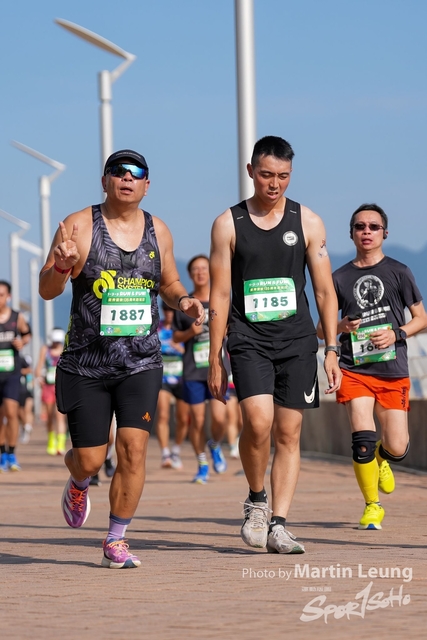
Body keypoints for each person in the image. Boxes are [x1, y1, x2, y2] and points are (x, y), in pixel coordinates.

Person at [39, 149, 204, 569]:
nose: (127, 178)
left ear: (147, 185)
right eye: (118, 171)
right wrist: (61, 267)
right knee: (92, 459)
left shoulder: (158, 230)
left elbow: (169, 283)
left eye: (136, 173)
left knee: (133, 449)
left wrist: (184, 300)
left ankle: (116, 538)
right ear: (105, 181)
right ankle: (78, 479)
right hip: (86, 364)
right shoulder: (79, 226)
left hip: (141, 362)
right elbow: (46, 290)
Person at [208, 136, 341, 553]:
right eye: (266, 174)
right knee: (258, 422)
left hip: (297, 341)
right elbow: (220, 294)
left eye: (283, 176)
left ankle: (279, 523)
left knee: (289, 431)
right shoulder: (228, 224)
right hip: (248, 338)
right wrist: (215, 356)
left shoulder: (309, 222)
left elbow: (324, 292)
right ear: (251, 171)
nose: (274, 184)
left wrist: (332, 349)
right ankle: (256, 500)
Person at [317, 203, 427, 530]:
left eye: (373, 227)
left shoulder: (400, 272)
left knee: (398, 446)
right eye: (360, 226)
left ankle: (382, 459)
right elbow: (321, 329)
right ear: (351, 233)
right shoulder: (338, 278)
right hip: (354, 368)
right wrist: (341, 327)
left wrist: (396, 333)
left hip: (392, 369)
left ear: (384, 233)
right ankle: (372, 506)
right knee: (362, 439)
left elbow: (421, 318)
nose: (367, 232)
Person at [173, 255, 229, 484]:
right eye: (195, 269)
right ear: (190, 274)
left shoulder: (221, 299)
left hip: (218, 367)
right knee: (196, 420)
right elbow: (175, 337)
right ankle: (202, 463)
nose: (200, 273)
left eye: (204, 268)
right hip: (193, 370)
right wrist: (190, 333)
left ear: (211, 271)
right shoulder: (185, 304)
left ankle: (214, 444)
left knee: (219, 417)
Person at [0, 280, 31, 472]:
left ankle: (11, 453)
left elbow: (27, 334)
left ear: (8, 297)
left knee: (11, 412)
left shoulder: (16, 317)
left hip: (11, 372)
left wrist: (22, 342)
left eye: (1, 295)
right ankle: (2, 453)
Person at [156, 301, 189, 469]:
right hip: (163, 379)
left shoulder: (182, 328)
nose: (169, 312)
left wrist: (180, 348)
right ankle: (165, 454)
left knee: (183, 419)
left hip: (182, 378)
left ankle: (176, 450)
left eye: (172, 309)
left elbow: (192, 350)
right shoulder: (157, 328)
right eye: (166, 309)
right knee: (163, 415)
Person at [35, 327, 68, 455]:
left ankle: (60, 443)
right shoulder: (45, 350)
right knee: (49, 415)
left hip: (61, 386)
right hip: (48, 387)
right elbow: (38, 367)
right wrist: (39, 378)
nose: (56, 343)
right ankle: (51, 439)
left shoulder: (65, 349)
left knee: (60, 415)